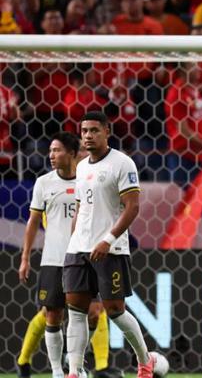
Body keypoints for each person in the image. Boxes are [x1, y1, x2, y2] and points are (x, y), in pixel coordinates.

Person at [63, 111, 155, 378]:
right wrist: (72, 242)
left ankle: (144, 361)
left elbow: (133, 207)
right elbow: (80, 208)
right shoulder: (81, 167)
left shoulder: (122, 163)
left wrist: (108, 240)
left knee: (115, 311)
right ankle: (74, 371)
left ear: (107, 131)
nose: (88, 136)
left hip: (110, 249)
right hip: (78, 249)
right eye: (84, 131)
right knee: (76, 311)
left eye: (94, 130)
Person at [17, 133, 112, 378]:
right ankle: (58, 372)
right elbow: (33, 221)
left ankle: (77, 361)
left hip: (84, 258)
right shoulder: (44, 183)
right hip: (54, 259)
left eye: (57, 150)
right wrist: (25, 258)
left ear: (72, 153)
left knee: (93, 312)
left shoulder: (88, 181)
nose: (51, 155)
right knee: (52, 314)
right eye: (50, 150)